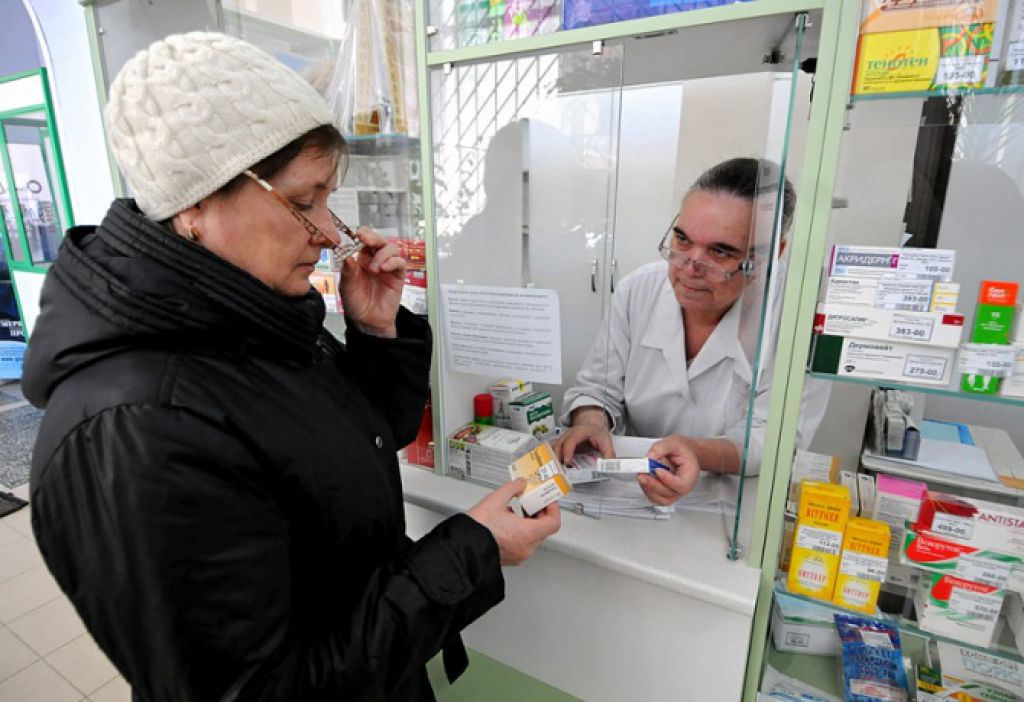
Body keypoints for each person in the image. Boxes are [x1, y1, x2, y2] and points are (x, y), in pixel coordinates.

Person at [23, 32, 558, 701]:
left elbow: (361, 442)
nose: (331, 232)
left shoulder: (248, 319)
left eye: (328, 200)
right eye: (303, 202)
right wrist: (472, 551)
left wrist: (375, 331)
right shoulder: (139, 430)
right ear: (195, 205)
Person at [554, 158, 829, 506]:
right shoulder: (638, 290)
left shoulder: (797, 320)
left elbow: (773, 441)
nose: (689, 267)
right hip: (634, 492)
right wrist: (592, 422)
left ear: (774, 254)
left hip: (730, 506)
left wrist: (697, 452)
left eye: (720, 251)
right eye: (682, 240)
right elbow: (598, 388)